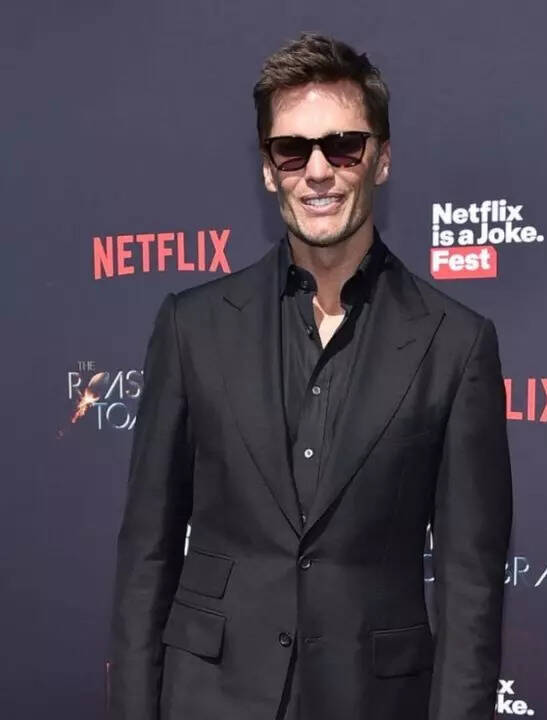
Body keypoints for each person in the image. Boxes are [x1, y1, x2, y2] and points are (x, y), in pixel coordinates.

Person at [107, 33, 512, 720]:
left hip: (374, 699)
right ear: (269, 170)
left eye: (343, 147)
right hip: (209, 698)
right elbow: (147, 552)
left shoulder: (456, 343)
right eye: (292, 151)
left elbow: (471, 585)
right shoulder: (191, 326)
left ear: (382, 158)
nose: (317, 172)